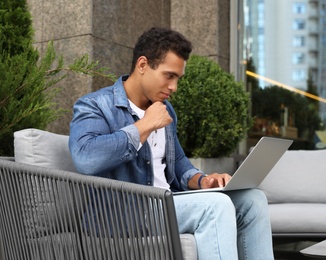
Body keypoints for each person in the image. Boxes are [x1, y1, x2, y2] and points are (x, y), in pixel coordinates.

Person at [69, 27, 274, 260]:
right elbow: (85, 158)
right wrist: (145, 125)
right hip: (125, 212)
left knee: (253, 200)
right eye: (169, 76)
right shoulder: (95, 105)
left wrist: (203, 180)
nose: (174, 87)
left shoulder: (166, 111)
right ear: (143, 65)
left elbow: (177, 162)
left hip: (166, 203)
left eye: (177, 78)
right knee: (215, 207)